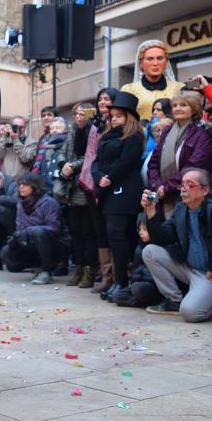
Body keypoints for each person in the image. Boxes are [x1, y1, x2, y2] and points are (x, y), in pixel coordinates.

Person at [141, 168, 212, 321]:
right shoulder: (181, 208)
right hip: (188, 267)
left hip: (210, 274)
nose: (184, 188)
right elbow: (163, 237)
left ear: (205, 190)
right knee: (150, 251)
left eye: (190, 184)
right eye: (182, 184)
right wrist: (151, 211)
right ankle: (175, 300)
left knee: (190, 313)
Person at [90, 91, 145, 305]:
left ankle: (122, 281)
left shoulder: (134, 136)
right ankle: (118, 280)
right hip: (107, 189)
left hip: (124, 191)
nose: (114, 119)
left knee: (118, 234)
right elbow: (95, 162)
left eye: (119, 116)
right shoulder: (106, 136)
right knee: (112, 236)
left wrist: (108, 178)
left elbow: (126, 162)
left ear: (128, 117)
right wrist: (99, 177)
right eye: (112, 116)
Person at [147, 92, 212, 219]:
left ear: (193, 108)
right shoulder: (167, 131)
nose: (177, 108)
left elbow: (195, 165)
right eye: (175, 105)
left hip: (188, 193)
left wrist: (166, 187)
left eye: (183, 105)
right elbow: (154, 161)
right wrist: (157, 185)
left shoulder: (202, 133)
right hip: (161, 195)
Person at [56, 102, 98, 288]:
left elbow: (90, 156)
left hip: (85, 186)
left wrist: (73, 166)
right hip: (70, 188)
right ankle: (79, 268)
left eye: (83, 114)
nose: (79, 117)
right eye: (76, 114)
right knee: (76, 232)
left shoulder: (93, 131)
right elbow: (62, 153)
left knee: (88, 231)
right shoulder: (72, 132)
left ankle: (89, 270)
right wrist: (63, 163)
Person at [3, 173, 70, 285]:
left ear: (34, 187)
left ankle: (45, 271)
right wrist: (16, 238)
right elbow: (20, 228)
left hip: (57, 245)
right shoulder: (20, 204)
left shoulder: (49, 202)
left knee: (39, 232)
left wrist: (28, 231)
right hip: (34, 243)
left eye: (25, 185)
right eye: (20, 185)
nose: (21, 187)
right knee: (6, 251)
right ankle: (37, 266)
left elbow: (54, 228)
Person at [83, 88, 118, 295]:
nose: (103, 102)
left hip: (111, 182)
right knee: (99, 230)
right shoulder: (94, 124)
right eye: (100, 99)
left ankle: (119, 276)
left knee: (114, 230)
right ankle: (107, 277)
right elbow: (87, 153)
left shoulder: (119, 123)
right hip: (92, 179)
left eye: (107, 99)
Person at [120, 40, 186, 120]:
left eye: (160, 58)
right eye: (150, 59)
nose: (155, 63)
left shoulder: (179, 88)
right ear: (141, 63)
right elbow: (123, 119)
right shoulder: (129, 90)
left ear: (166, 62)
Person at [35, 117, 68, 191]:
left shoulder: (67, 144)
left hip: (58, 187)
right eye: (52, 128)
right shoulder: (46, 145)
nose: (54, 130)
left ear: (64, 130)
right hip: (44, 187)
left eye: (58, 128)